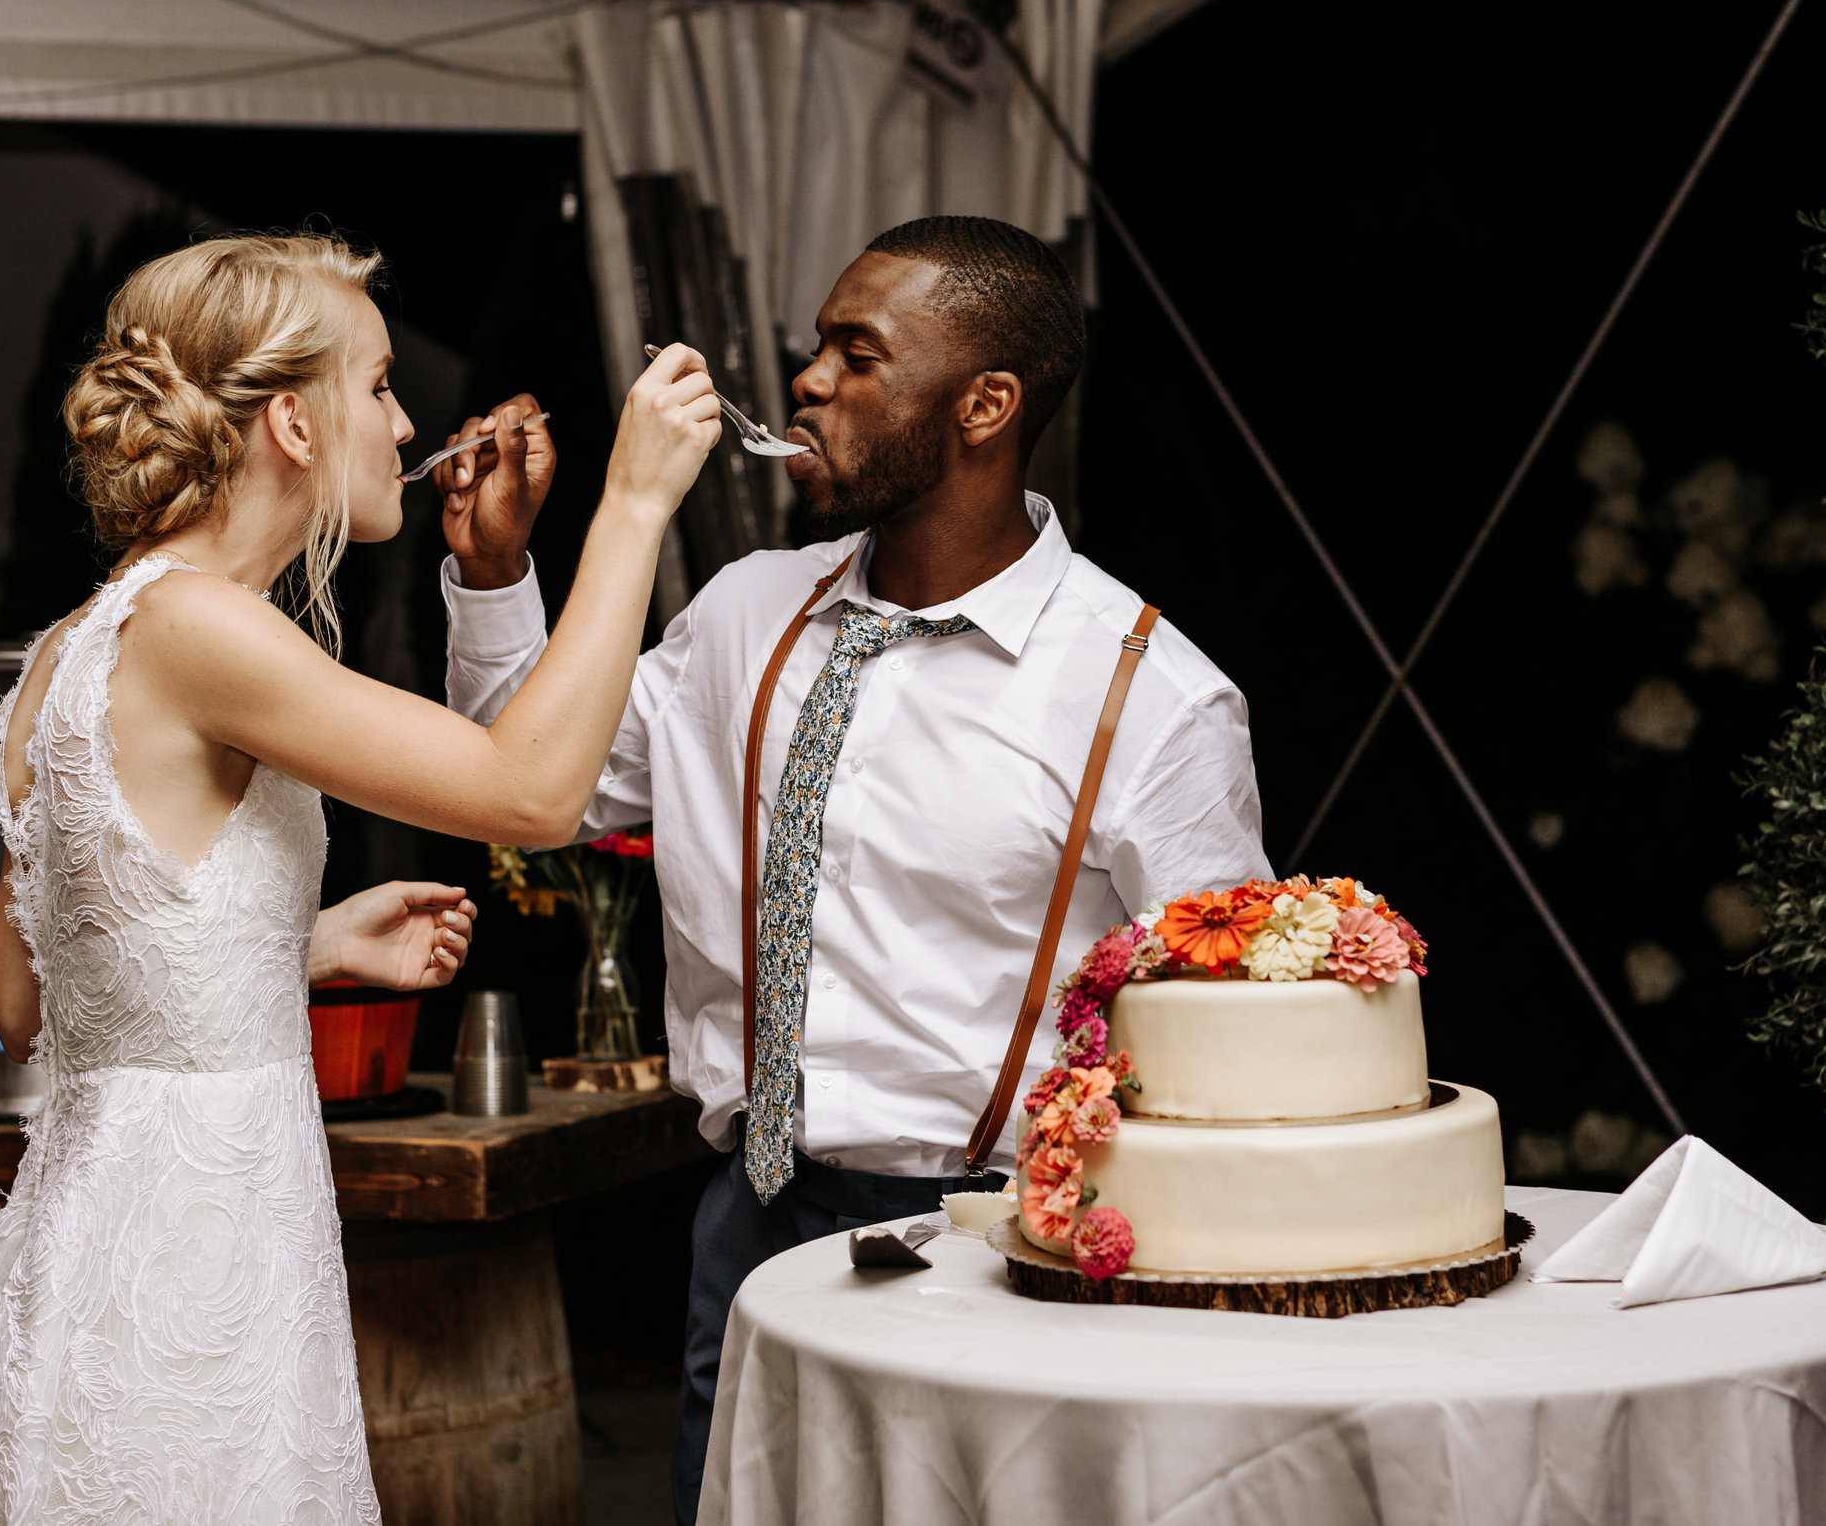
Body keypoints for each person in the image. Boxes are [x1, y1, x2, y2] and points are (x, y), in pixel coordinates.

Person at [0, 233, 723, 1524]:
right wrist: (637, 505)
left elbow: (38, 1001)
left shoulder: (73, 646)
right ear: (294, 425)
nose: (408, 420)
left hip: (92, 1238)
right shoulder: (208, 626)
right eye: (377, 386)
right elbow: (534, 793)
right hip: (199, 1263)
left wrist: (296, 942)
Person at [431, 215, 1272, 1522]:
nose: (807, 380)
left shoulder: (1148, 693)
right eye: (815, 346)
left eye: (856, 353)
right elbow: (542, 796)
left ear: (986, 405)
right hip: (751, 1224)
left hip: (1005, 1250)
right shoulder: (741, 614)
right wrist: (492, 580)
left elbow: (1229, 1040)